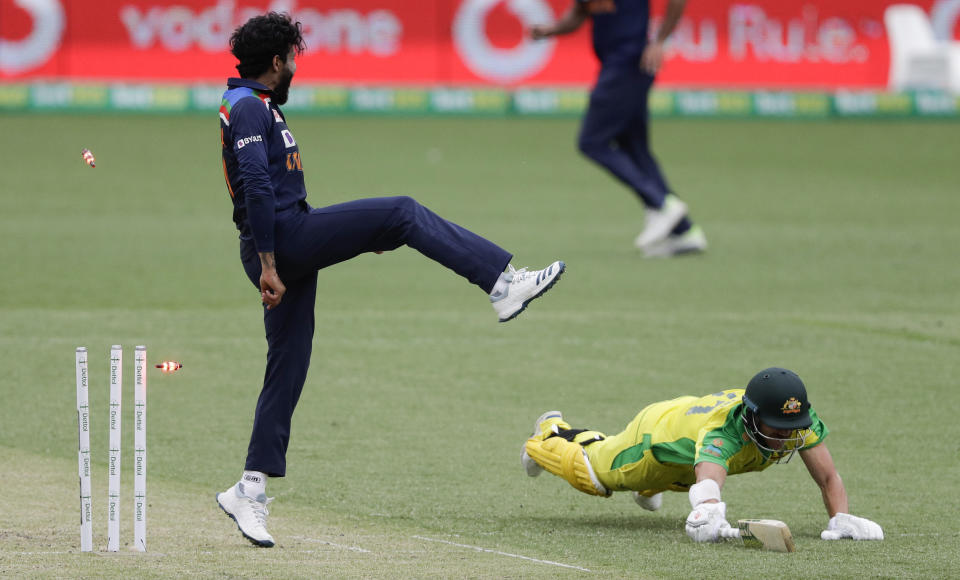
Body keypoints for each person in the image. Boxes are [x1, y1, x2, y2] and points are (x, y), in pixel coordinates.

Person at [215, 12, 566, 548]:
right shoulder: (246, 108)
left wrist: (348, 238)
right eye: (293, 61)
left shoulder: (255, 104)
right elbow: (258, 189)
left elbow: (275, 190)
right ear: (277, 61)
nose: (295, 72)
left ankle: (250, 489)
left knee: (288, 365)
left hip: (284, 239)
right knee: (401, 210)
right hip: (279, 243)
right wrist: (268, 264)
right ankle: (502, 284)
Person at [520, 367, 884, 543]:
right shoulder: (723, 432)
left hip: (686, 451)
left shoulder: (795, 419)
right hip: (656, 438)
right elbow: (709, 478)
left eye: (792, 426)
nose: (787, 436)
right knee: (596, 477)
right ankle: (549, 433)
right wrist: (708, 510)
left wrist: (841, 519)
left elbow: (828, 477)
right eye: (776, 427)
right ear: (753, 415)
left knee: (683, 477)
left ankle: (651, 488)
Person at [530, 0, 707, 257]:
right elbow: (580, 13)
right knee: (634, 147)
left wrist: (659, 41)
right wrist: (552, 30)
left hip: (631, 63)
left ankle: (662, 204)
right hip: (616, 64)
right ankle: (684, 232)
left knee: (592, 142)